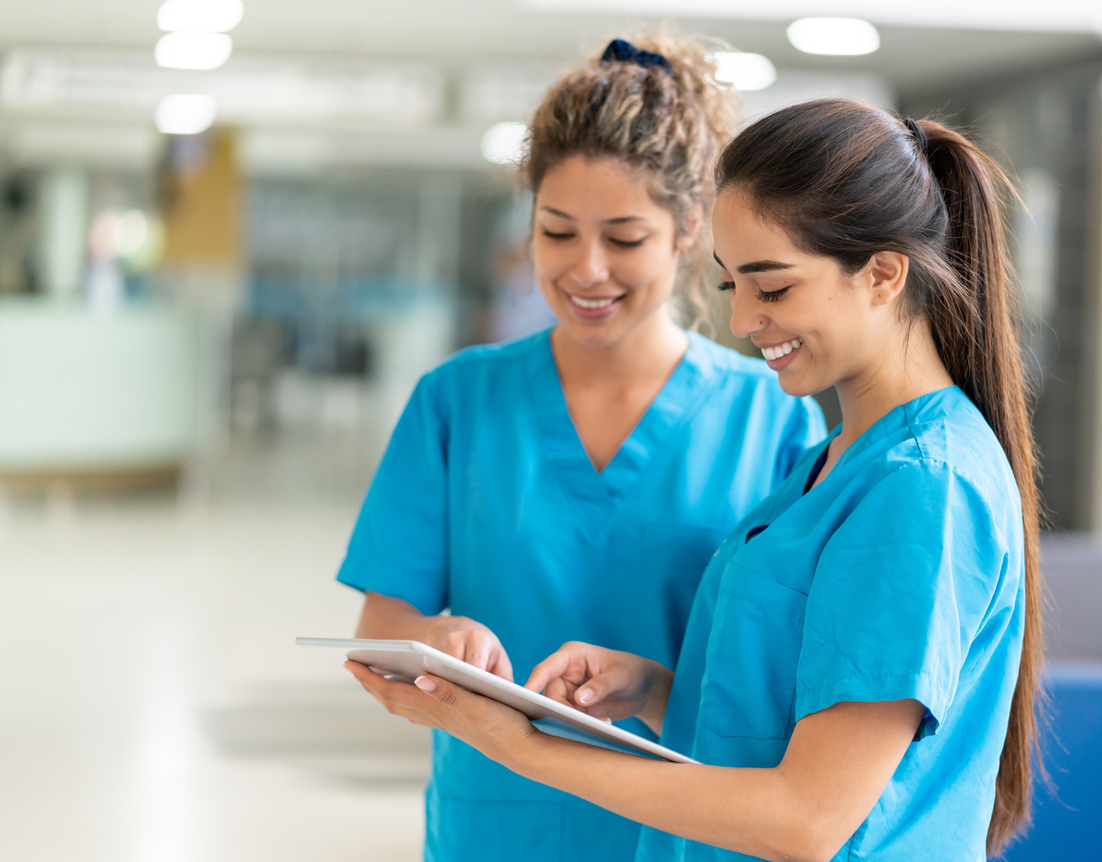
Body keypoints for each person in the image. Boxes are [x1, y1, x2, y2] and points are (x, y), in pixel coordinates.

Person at [347, 98, 1045, 862]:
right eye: (731, 287)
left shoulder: (923, 486)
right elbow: (779, 721)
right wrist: (650, 689)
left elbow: (806, 819)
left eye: (772, 288)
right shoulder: (844, 459)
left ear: (882, 274)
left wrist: (523, 746)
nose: (745, 320)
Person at [337, 37, 827, 862]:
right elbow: (381, 623)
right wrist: (441, 641)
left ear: (687, 232)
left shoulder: (776, 422)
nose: (586, 269)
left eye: (625, 238)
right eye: (557, 231)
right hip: (495, 825)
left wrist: (652, 685)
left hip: (684, 830)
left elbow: (779, 687)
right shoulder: (458, 403)